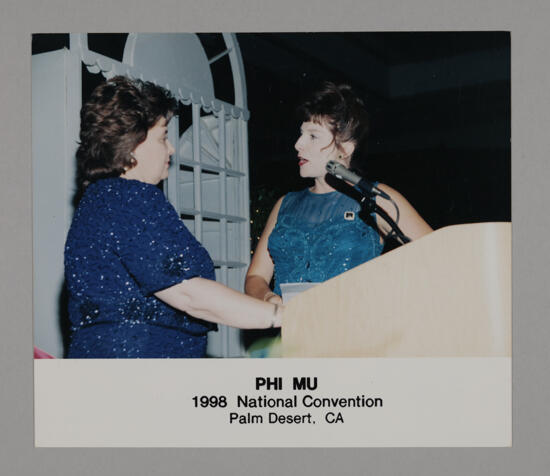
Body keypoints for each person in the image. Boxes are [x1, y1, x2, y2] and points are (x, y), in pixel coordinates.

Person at [64, 76, 282, 358]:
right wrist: (281, 316)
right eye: (163, 136)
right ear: (133, 144)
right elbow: (190, 295)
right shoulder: (131, 197)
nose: (171, 148)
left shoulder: (99, 199)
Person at [245, 81, 432, 307]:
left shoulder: (376, 197)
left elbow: (437, 256)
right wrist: (267, 297)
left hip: (354, 337)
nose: (298, 144)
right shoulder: (285, 205)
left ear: (346, 148)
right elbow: (256, 277)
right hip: (292, 337)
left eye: (313, 136)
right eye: (300, 134)